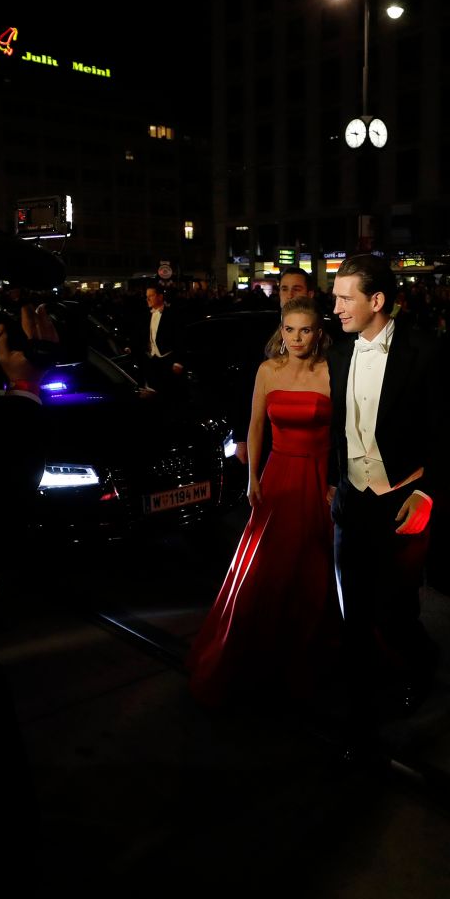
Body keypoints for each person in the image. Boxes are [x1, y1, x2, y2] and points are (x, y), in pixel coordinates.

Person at [327, 254, 450, 758]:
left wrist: (426, 493)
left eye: (344, 297)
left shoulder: (424, 350)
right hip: (351, 504)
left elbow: (446, 435)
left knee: (393, 611)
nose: (335, 307)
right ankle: (359, 722)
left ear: (375, 300)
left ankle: (421, 660)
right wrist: (332, 482)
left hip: (400, 503)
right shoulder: (340, 354)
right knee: (353, 617)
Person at [187, 297, 336, 707]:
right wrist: (253, 476)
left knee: (313, 565)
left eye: (305, 330)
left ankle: (312, 655)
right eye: (290, 329)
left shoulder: (330, 373)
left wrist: (336, 480)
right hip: (277, 475)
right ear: (280, 331)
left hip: (319, 478)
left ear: (318, 333)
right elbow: (254, 427)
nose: (297, 337)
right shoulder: (267, 371)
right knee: (269, 563)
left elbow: (344, 434)